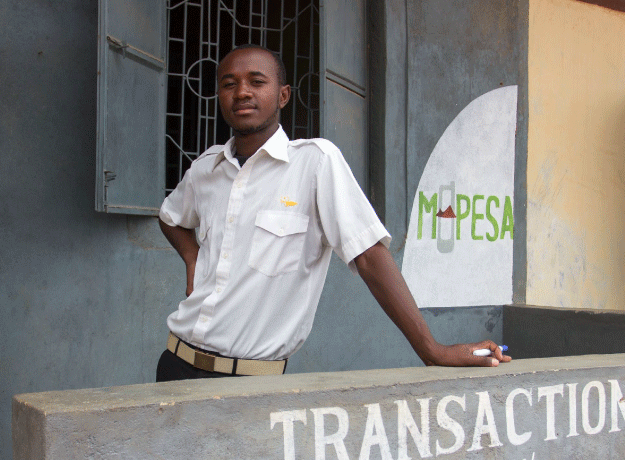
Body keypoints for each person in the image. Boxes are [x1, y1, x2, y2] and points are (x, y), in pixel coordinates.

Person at [156, 45, 510, 382]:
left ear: (283, 95)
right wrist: (192, 258)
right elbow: (170, 217)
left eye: (257, 81)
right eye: (228, 84)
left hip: (248, 382)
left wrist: (432, 351)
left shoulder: (315, 163)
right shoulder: (206, 169)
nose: (242, 92)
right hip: (175, 365)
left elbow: (370, 257)